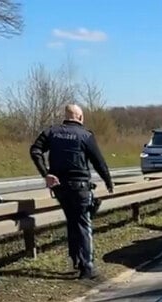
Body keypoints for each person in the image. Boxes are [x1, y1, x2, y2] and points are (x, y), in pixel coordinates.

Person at [29, 104, 114, 279]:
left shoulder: (52, 132)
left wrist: (46, 174)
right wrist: (108, 181)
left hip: (60, 187)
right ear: (80, 118)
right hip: (80, 187)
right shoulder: (85, 135)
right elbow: (99, 162)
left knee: (72, 221)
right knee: (83, 223)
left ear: (66, 116)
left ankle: (77, 259)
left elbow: (35, 150)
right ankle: (87, 267)